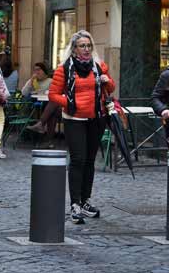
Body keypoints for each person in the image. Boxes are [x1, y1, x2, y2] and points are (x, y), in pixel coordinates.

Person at [48, 30, 114, 225]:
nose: (86, 49)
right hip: (74, 119)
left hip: (96, 117)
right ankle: (75, 203)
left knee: (90, 161)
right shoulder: (64, 68)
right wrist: (68, 103)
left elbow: (111, 88)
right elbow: (53, 94)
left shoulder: (99, 66)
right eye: (82, 46)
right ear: (74, 49)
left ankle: (86, 200)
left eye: (89, 46)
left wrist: (107, 81)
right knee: (78, 159)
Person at [23, 62, 60, 137]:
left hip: (46, 105)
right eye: (35, 70)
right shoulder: (32, 81)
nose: (37, 72)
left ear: (44, 71)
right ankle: (46, 135)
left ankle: (41, 127)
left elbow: (53, 94)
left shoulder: (50, 81)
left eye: (39, 70)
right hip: (33, 106)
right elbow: (24, 93)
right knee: (53, 111)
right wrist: (31, 82)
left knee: (53, 110)